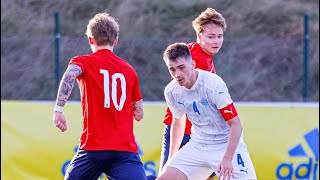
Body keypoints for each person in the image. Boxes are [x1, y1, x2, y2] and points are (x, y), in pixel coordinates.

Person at [52, 13, 148, 180]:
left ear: (90, 40)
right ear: (115, 40)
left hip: (93, 148)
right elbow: (139, 113)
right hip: (124, 150)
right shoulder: (129, 70)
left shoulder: (84, 62)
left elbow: (69, 76)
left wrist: (58, 110)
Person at [157, 42, 257, 180]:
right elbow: (178, 121)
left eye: (181, 67)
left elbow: (236, 124)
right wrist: (171, 159)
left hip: (225, 144)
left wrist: (227, 159)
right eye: (172, 69)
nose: (177, 74)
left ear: (193, 64)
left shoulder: (213, 85)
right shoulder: (171, 91)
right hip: (198, 144)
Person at [159, 8, 226, 178]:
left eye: (219, 36)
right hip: (185, 132)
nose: (216, 41)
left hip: (203, 135)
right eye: (211, 37)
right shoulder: (191, 57)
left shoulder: (206, 58)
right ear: (199, 36)